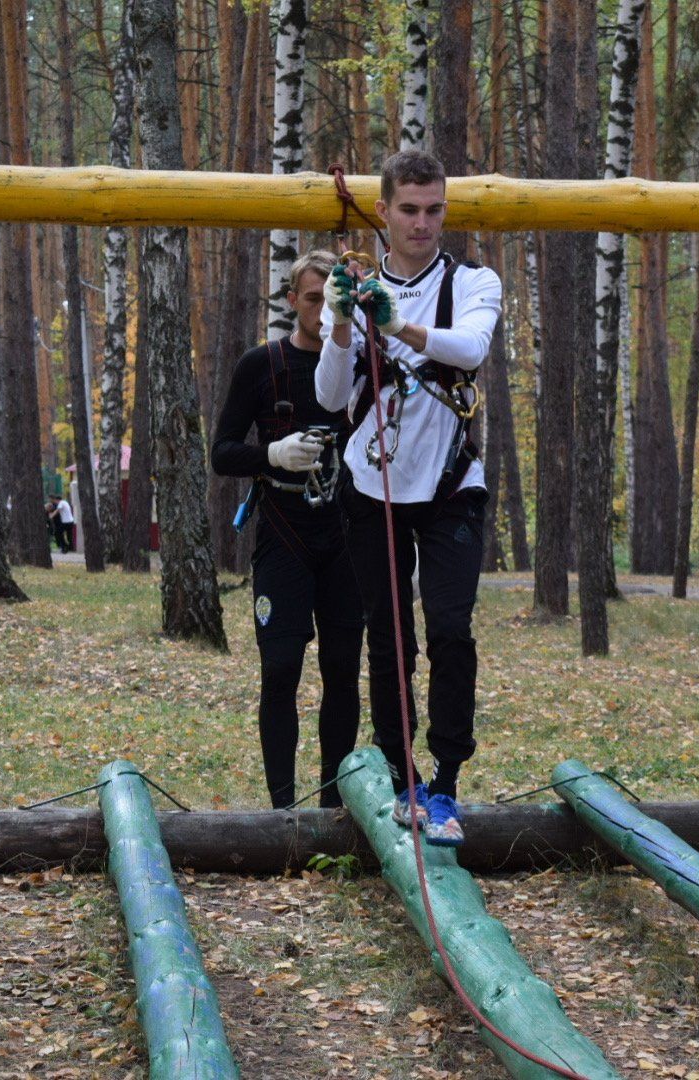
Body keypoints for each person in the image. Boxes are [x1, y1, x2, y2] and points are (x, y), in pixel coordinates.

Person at [314, 149, 502, 846]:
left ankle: (448, 781)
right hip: (374, 483)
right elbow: (331, 397)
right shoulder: (359, 291)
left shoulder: (474, 281)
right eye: (409, 210)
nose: (422, 224)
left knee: (451, 629)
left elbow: (469, 346)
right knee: (390, 635)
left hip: (452, 483)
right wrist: (341, 324)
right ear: (384, 212)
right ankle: (403, 779)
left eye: (434, 210)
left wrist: (396, 325)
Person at [211, 250, 363, 810]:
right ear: (292, 300)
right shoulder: (262, 364)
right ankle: (282, 813)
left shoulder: (364, 363)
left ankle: (332, 805)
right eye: (313, 298)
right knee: (280, 669)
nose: (323, 310)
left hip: (347, 533)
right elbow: (222, 453)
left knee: (343, 668)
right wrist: (272, 453)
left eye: (334, 300)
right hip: (283, 530)